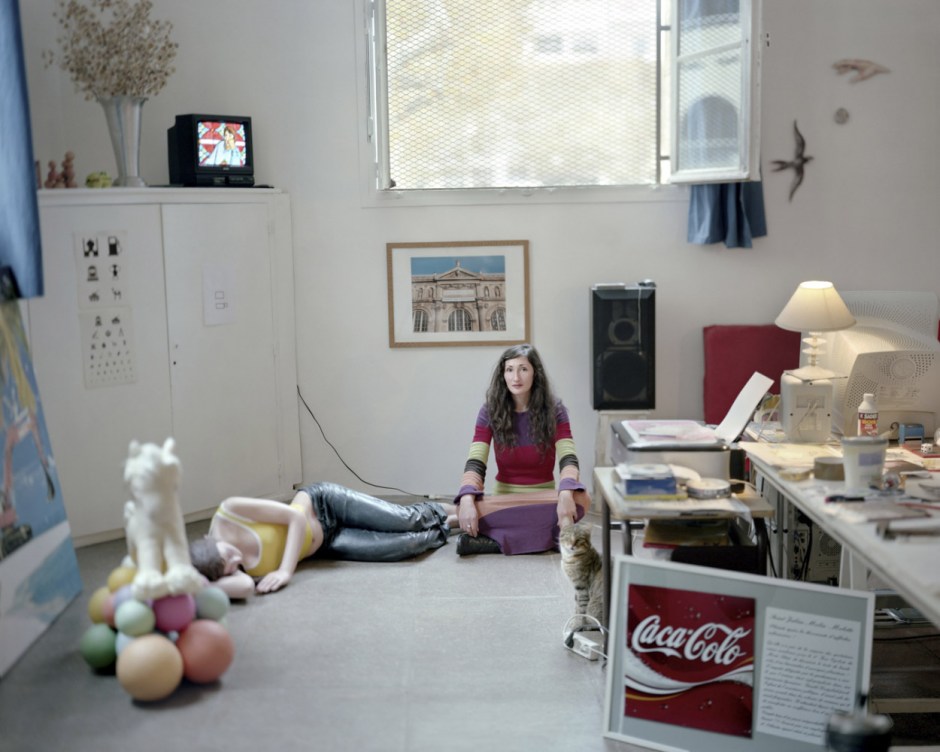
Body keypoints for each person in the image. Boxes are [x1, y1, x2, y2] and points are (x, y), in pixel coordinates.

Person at [189, 482, 456, 598]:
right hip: (326, 543)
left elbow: (295, 519)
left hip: (322, 504)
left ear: (208, 540)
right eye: (230, 568)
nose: (236, 559)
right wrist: (199, 588)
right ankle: (456, 523)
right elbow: (246, 587)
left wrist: (285, 571)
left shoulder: (229, 511)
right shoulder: (229, 572)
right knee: (409, 546)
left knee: (405, 520)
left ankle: (464, 507)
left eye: (228, 555)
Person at [454, 343, 590, 556]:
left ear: (536, 373)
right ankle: (547, 537)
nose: (516, 377)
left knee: (581, 500)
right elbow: (476, 462)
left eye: (523, 369)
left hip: (544, 498)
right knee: (471, 505)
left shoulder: (555, 410)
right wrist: (467, 499)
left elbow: (568, 458)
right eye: (510, 369)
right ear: (503, 375)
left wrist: (564, 494)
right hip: (504, 501)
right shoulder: (490, 410)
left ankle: (492, 537)